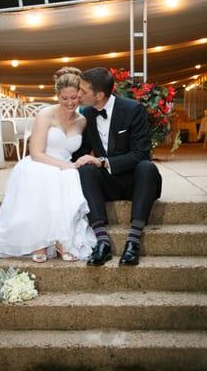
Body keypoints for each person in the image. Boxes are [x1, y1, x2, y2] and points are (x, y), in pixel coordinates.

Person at [0, 67, 96, 262]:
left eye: (74, 97)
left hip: (66, 166)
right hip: (40, 162)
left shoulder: (82, 120)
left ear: (79, 95)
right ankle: (38, 242)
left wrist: (81, 163)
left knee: (70, 179)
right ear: (57, 95)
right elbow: (36, 153)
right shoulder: (45, 115)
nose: (69, 103)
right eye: (64, 98)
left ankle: (62, 240)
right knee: (45, 177)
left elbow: (86, 150)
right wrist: (66, 166)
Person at [73, 67, 162, 266]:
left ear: (100, 95)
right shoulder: (86, 114)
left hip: (135, 181)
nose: (78, 94)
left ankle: (133, 242)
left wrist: (103, 161)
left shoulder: (133, 109)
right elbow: (82, 152)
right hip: (108, 183)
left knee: (147, 167)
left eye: (83, 91)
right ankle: (102, 242)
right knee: (86, 169)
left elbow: (141, 154)